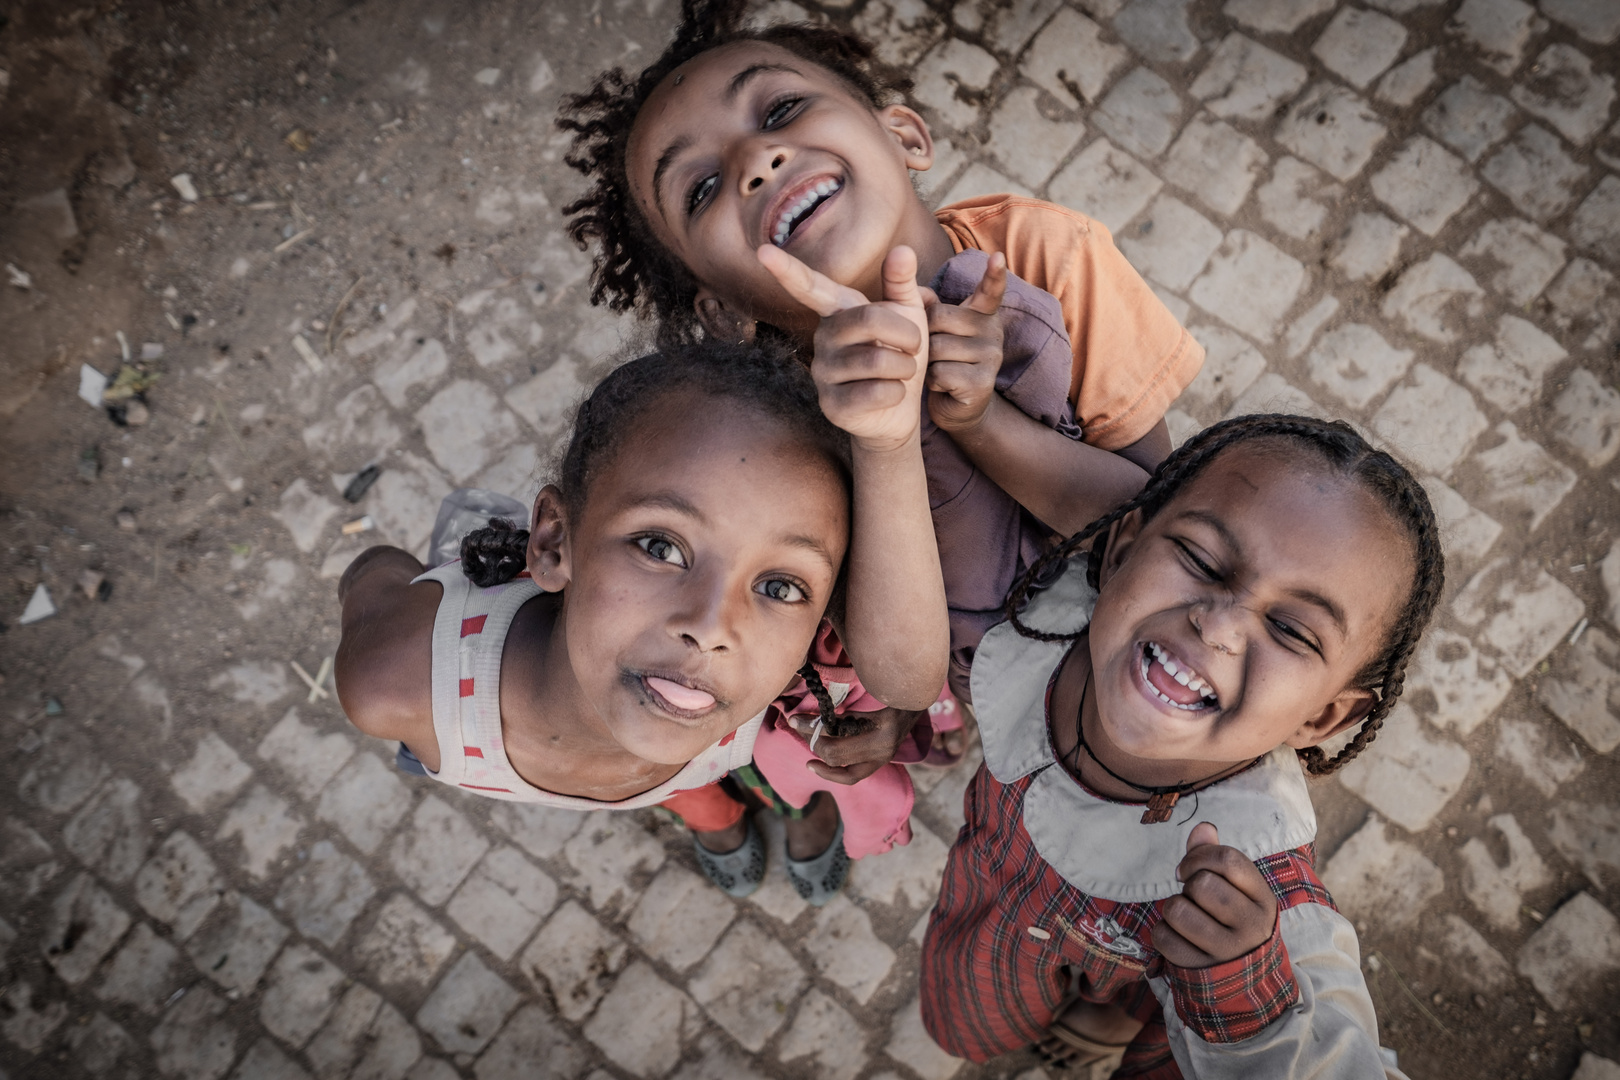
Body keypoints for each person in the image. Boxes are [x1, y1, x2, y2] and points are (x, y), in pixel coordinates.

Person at [556, 0, 1204, 718]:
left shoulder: (1046, 255)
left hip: (1168, 650)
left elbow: (1159, 523)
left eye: (781, 111)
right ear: (722, 312)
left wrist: (983, 423)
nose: (757, 161)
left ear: (904, 136)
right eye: (702, 189)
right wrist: (882, 441)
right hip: (1009, 697)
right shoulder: (771, 430)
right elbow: (903, 676)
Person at [917, 414, 1444, 1079]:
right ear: (1120, 549)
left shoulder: (1262, 889)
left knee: (1160, 986)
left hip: (1159, 969)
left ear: (1324, 717)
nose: (1220, 626)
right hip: (987, 915)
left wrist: (1245, 994)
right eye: (1199, 559)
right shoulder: (1026, 620)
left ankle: (1127, 1010)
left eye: (1291, 629)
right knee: (966, 1021)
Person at [333, 342, 939, 902]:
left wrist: (897, 714)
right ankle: (717, 822)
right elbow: (374, 570)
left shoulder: (780, 673)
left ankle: (742, 811)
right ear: (551, 542)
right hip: (671, 728)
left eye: (779, 586)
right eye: (660, 547)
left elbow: (899, 659)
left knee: (688, 772)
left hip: (695, 744)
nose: (710, 628)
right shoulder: (395, 687)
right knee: (694, 793)